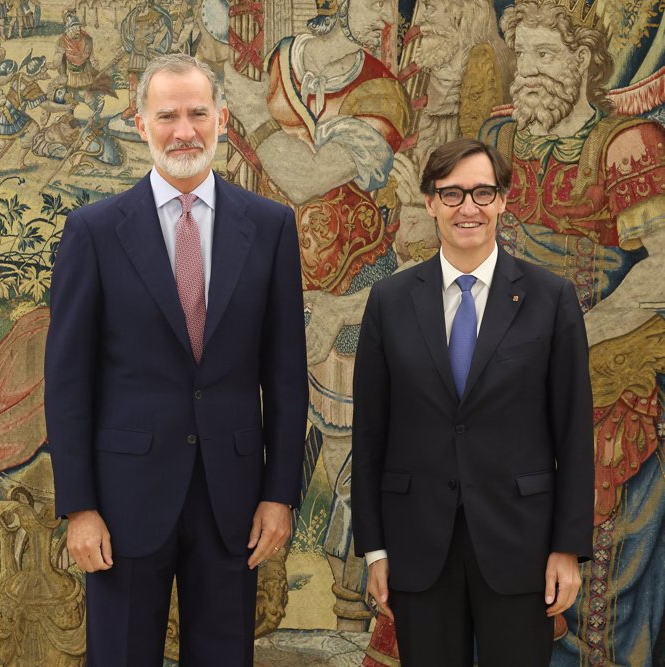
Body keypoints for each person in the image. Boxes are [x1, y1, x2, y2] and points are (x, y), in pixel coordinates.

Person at [44, 53, 308, 666]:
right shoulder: (95, 230)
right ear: (141, 125)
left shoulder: (269, 227)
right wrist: (79, 506)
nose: (183, 130)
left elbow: (287, 375)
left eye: (196, 113)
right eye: (167, 116)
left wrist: (280, 494)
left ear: (221, 119)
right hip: (122, 499)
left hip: (233, 500)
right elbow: (68, 380)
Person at [351, 138, 594, 667]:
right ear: (431, 202)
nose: (469, 208)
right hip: (418, 548)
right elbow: (370, 434)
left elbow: (574, 433)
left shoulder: (550, 298)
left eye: (483, 193)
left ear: (503, 200)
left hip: (521, 545)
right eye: (453, 194)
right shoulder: (389, 302)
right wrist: (375, 549)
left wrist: (567, 548)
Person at [481, 2, 665, 663]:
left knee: (595, 598)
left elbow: (660, 273)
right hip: (504, 397)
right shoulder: (499, 143)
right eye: (519, 56)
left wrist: (570, 336)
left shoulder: (626, 145)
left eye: (544, 56)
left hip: (600, 395)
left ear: (582, 62)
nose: (524, 71)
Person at [224, 0, 411, 630]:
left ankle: (355, 612)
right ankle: (245, 605)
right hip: (266, 293)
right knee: (244, 439)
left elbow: (305, 177)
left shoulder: (382, 92)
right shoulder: (279, 62)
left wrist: (248, 110)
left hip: (347, 295)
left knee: (348, 456)